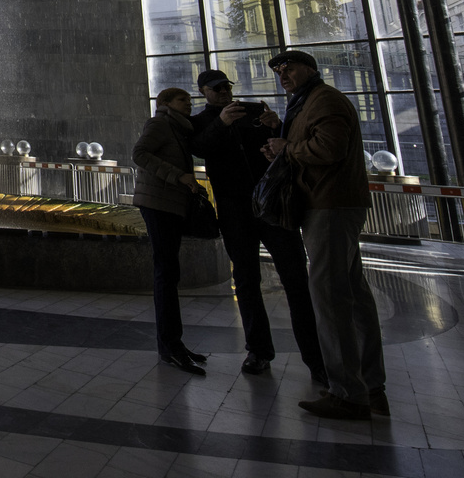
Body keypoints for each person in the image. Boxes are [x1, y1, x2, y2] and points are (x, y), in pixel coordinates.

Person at [260, 49, 386, 420]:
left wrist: (288, 148)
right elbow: (308, 147)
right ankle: (369, 386)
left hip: (329, 205)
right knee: (352, 293)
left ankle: (348, 393)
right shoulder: (305, 103)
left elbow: (330, 148)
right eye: (279, 70)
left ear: (312, 70)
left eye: (290, 67)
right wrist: (281, 145)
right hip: (328, 203)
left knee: (330, 297)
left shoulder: (324, 100)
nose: (283, 74)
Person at [191, 69, 327, 382]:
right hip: (234, 209)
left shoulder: (255, 111)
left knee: (295, 278)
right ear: (203, 93)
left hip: (272, 205)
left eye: (226, 87)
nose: (223, 92)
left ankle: (316, 357)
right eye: (216, 89)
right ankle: (258, 350)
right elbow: (199, 148)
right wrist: (221, 122)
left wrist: (276, 126)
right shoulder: (202, 122)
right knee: (246, 278)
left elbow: (283, 146)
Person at [133, 87, 210, 375]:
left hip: (170, 205)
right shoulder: (160, 123)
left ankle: (173, 344)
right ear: (165, 103)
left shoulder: (179, 128)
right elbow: (139, 153)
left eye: (190, 101)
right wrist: (178, 176)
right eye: (183, 100)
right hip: (158, 205)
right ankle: (169, 347)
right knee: (166, 273)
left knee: (169, 272)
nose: (189, 105)